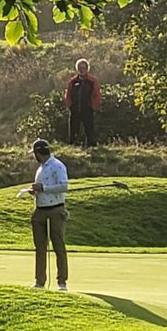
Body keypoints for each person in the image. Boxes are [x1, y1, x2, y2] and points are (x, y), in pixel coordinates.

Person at [29, 138, 69, 291]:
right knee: (40, 247)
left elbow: (64, 186)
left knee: (58, 245)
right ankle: (40, 282)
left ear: (39, 152)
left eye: (35, 153)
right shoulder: (40, 168)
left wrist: (43, 188)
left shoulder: (57, 166)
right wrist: (35, 191)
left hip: (55, 210)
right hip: (40, 210)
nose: (34, 156)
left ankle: (62, 282)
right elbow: (42, 188)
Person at [63, 59, 101, 147]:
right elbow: (68, 94)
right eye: (80, 68)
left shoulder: (92, 81)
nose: (82, 69)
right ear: (77, 69)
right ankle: (73, 147)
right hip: (75, 109)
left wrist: (93, 106)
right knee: (73, 130)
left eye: (84, 67)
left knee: (89, 130)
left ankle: (92, 147)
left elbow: (97, 95)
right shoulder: (73, 81)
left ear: (87, 68)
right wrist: (70, 105)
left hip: (87, 109)